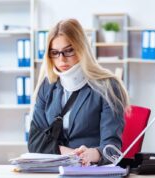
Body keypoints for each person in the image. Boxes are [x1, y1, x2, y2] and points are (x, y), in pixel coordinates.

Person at [29, 18, 130, 166]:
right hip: (53, 169)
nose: (61, 59)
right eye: (55, 53)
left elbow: (112, 150)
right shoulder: (47, 86)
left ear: (82, 48)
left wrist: (94, 154)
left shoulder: (108, 86)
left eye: (69, 50)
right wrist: (71, 154)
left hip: (91, 169)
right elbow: (35, 142)